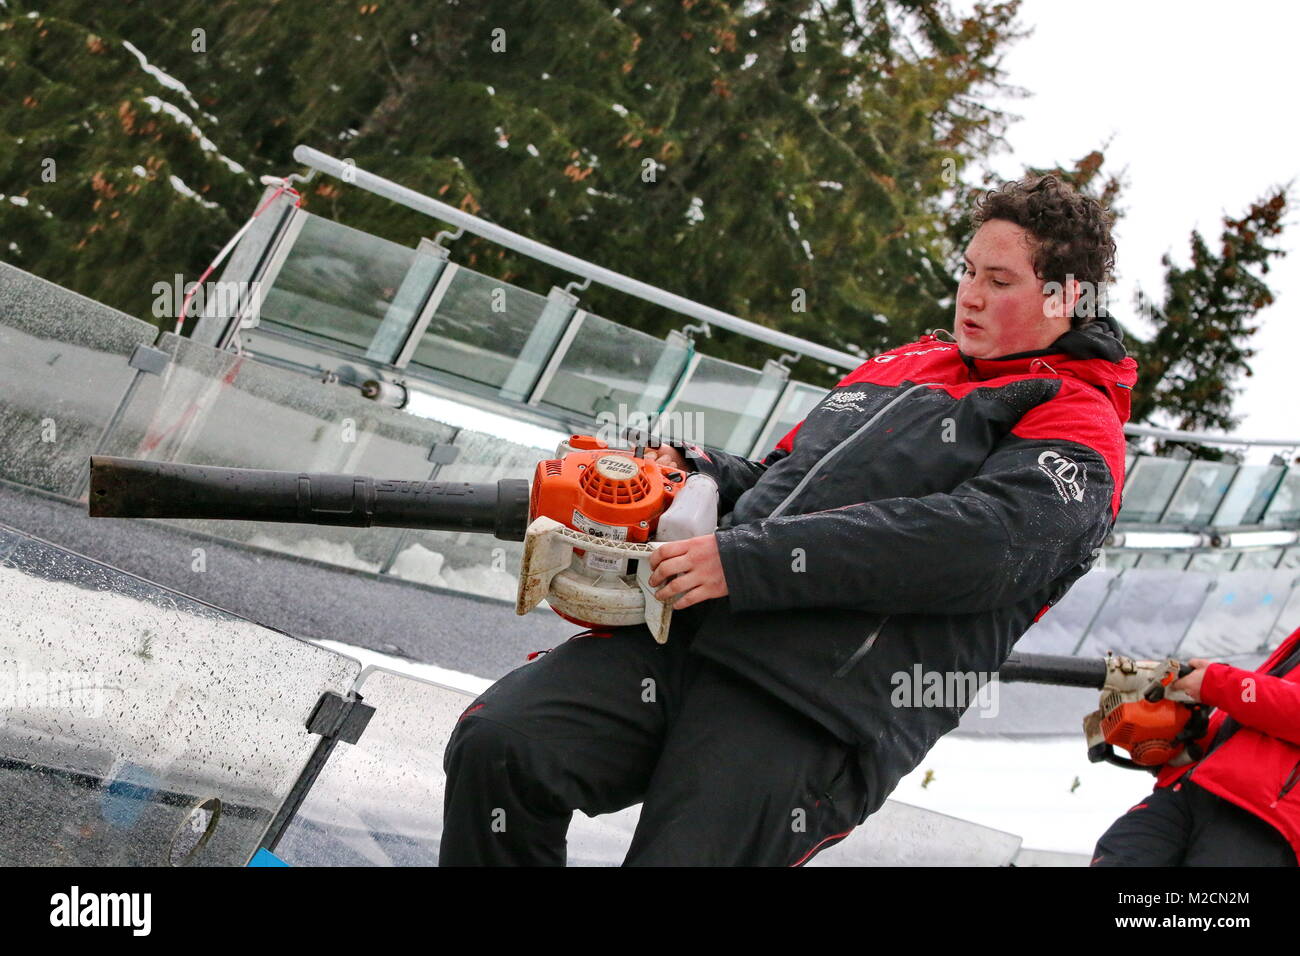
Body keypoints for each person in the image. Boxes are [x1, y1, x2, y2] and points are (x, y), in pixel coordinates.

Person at [439, 174, 1138, 866]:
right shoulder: (903, 365)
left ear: (1065, 296)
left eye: (1000, 280)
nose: (971, 295)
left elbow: (981, 544)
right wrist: (694, 470)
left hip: (814, 705)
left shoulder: (1079, 419)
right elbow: (777, 484)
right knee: (503, 744)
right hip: (689, 637)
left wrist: (744, 563)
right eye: (967, 270)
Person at [1090, 624, 1300, 866]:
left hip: (1265, 820)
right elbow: (1261, 712)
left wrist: (1217, 683)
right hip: (1195, 789)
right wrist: (1182, 738)